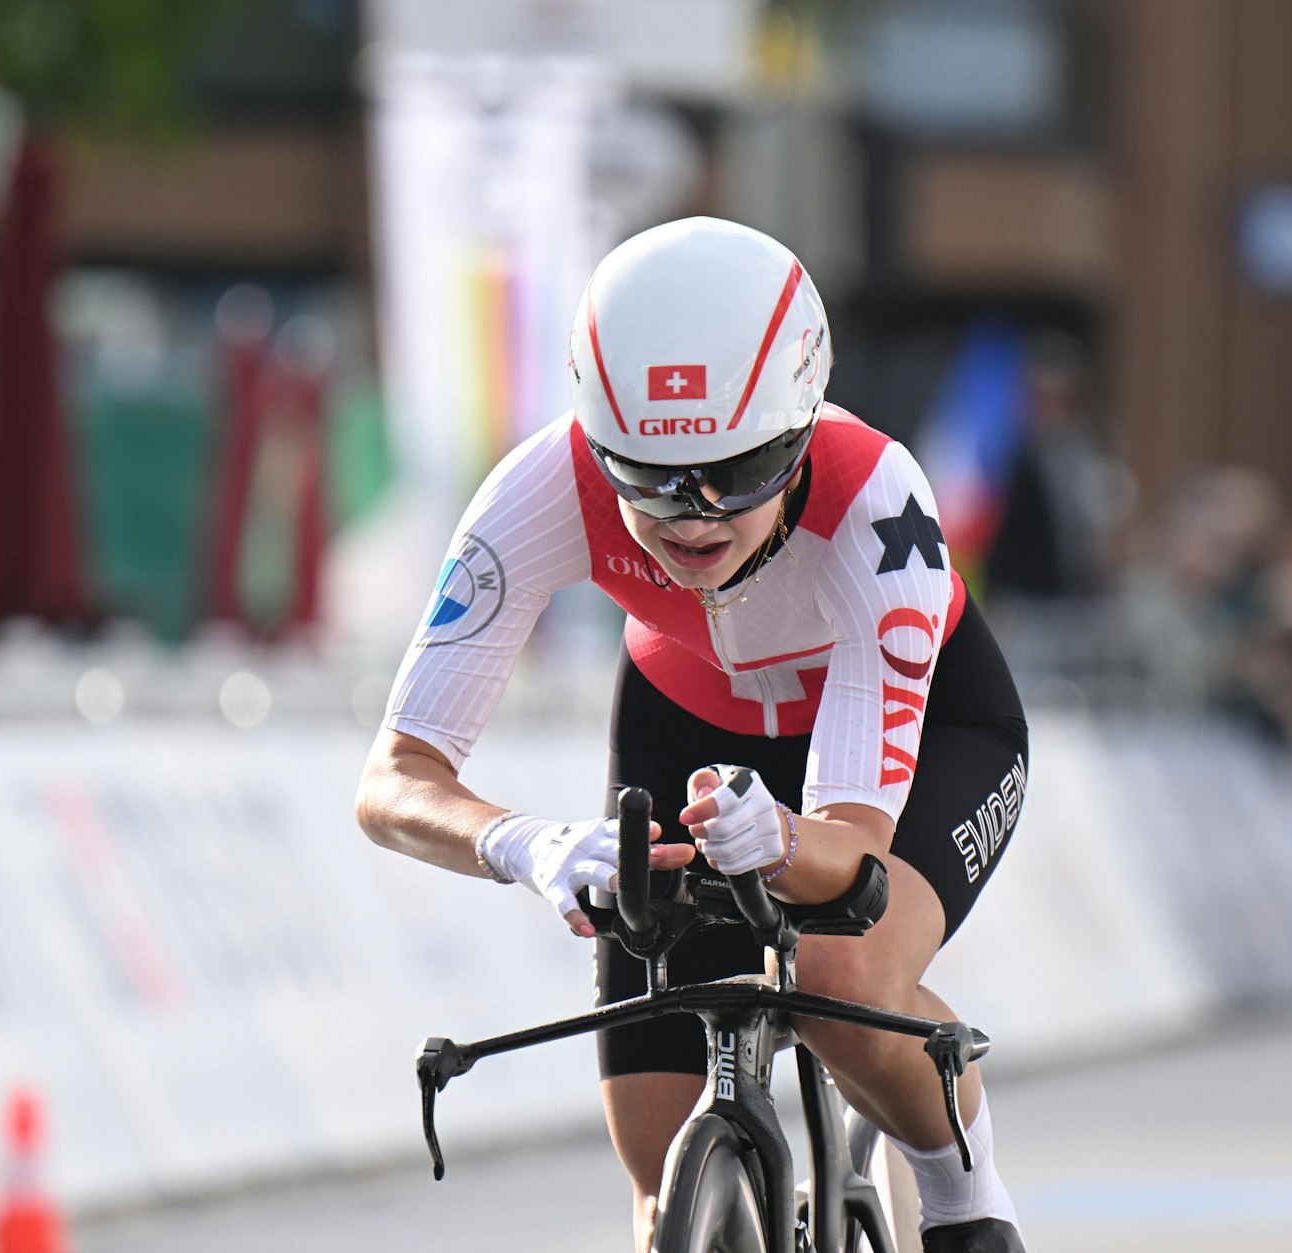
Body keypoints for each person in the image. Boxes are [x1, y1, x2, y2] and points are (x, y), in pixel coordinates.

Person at [355, 217, 1031, 1253]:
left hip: (929, 730)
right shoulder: (544, 484)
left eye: (741, 470)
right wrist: (526, 844)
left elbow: (852, 851)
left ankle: (966, 1199)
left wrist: (790, 842)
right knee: (651, 1158)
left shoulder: (875, 502)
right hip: (687, 725)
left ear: (800, 433)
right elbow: (395, 779)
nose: (694, 517)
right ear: (594, 439)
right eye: (648, 477)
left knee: (840, 986)